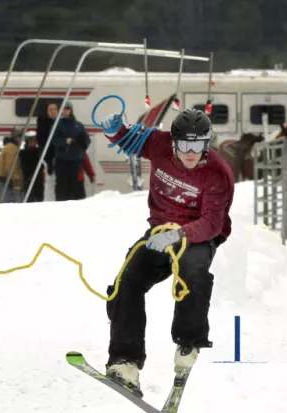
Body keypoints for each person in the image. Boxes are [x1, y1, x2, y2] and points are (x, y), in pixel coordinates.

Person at [98, 108, 234, 395]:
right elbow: (131, 140)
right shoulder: (159, 144)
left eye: (197, 145)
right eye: (184, 144)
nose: (190, 152)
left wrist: (179, 234)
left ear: (206, 143)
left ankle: (188, 343)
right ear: (173, 142)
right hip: (160, 231)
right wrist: (113, 130)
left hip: (197, 235)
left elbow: (212, 223)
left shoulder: (217, 174)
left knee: (192, 273)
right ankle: (125, 361)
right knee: (127, 281)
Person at [53, 101, 90, 201]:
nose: (65, 111)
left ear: (71, 110)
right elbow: (53, 140)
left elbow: (86, 140)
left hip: (76, 160)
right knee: (62, 185)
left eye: (67, 109)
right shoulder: (57, 124)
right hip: (62, 160)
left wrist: (82, 144)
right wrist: (65, 141)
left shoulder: (78, 125)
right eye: (63, 109)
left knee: (76, 185)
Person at [0, 127, 24, 202]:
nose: (22, 140)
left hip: (5, 181)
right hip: (8, 182)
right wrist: (16, 181)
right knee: (12, 206)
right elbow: (11, 166)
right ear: (17, 138)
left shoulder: (8, 147)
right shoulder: (12, 148)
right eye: (21, 138)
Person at [19, 131, 45, 202]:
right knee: (30, 198)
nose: (35, 142)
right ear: (28, 141)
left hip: (38, 178)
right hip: (29, 178)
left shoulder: (38, 151)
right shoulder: (23, 153)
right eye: (33, 140)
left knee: (39, 197)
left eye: (35, 140)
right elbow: (24, 167)